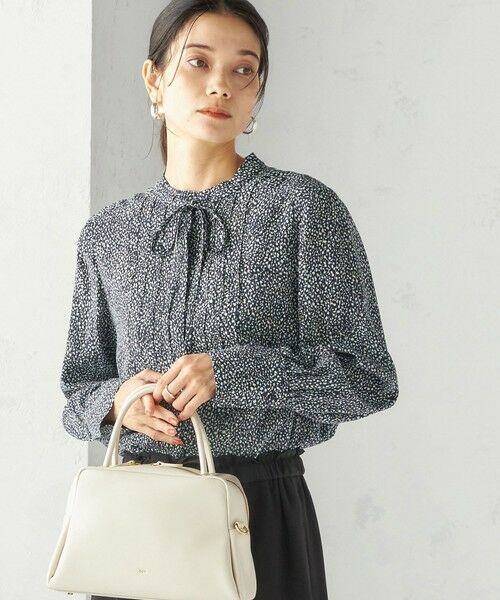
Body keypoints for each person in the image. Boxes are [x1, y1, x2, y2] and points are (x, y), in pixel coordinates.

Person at [60, 1, 399, 599]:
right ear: (154, 80)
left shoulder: (303, 210)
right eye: (198, 62)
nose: (221, 84)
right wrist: (118, 403)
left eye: (244, 70)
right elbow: (77, 390)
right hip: (135, 522)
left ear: (257, 90)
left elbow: (368, 379)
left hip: (259, 513)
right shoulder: (109, 233)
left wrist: (234, 373)